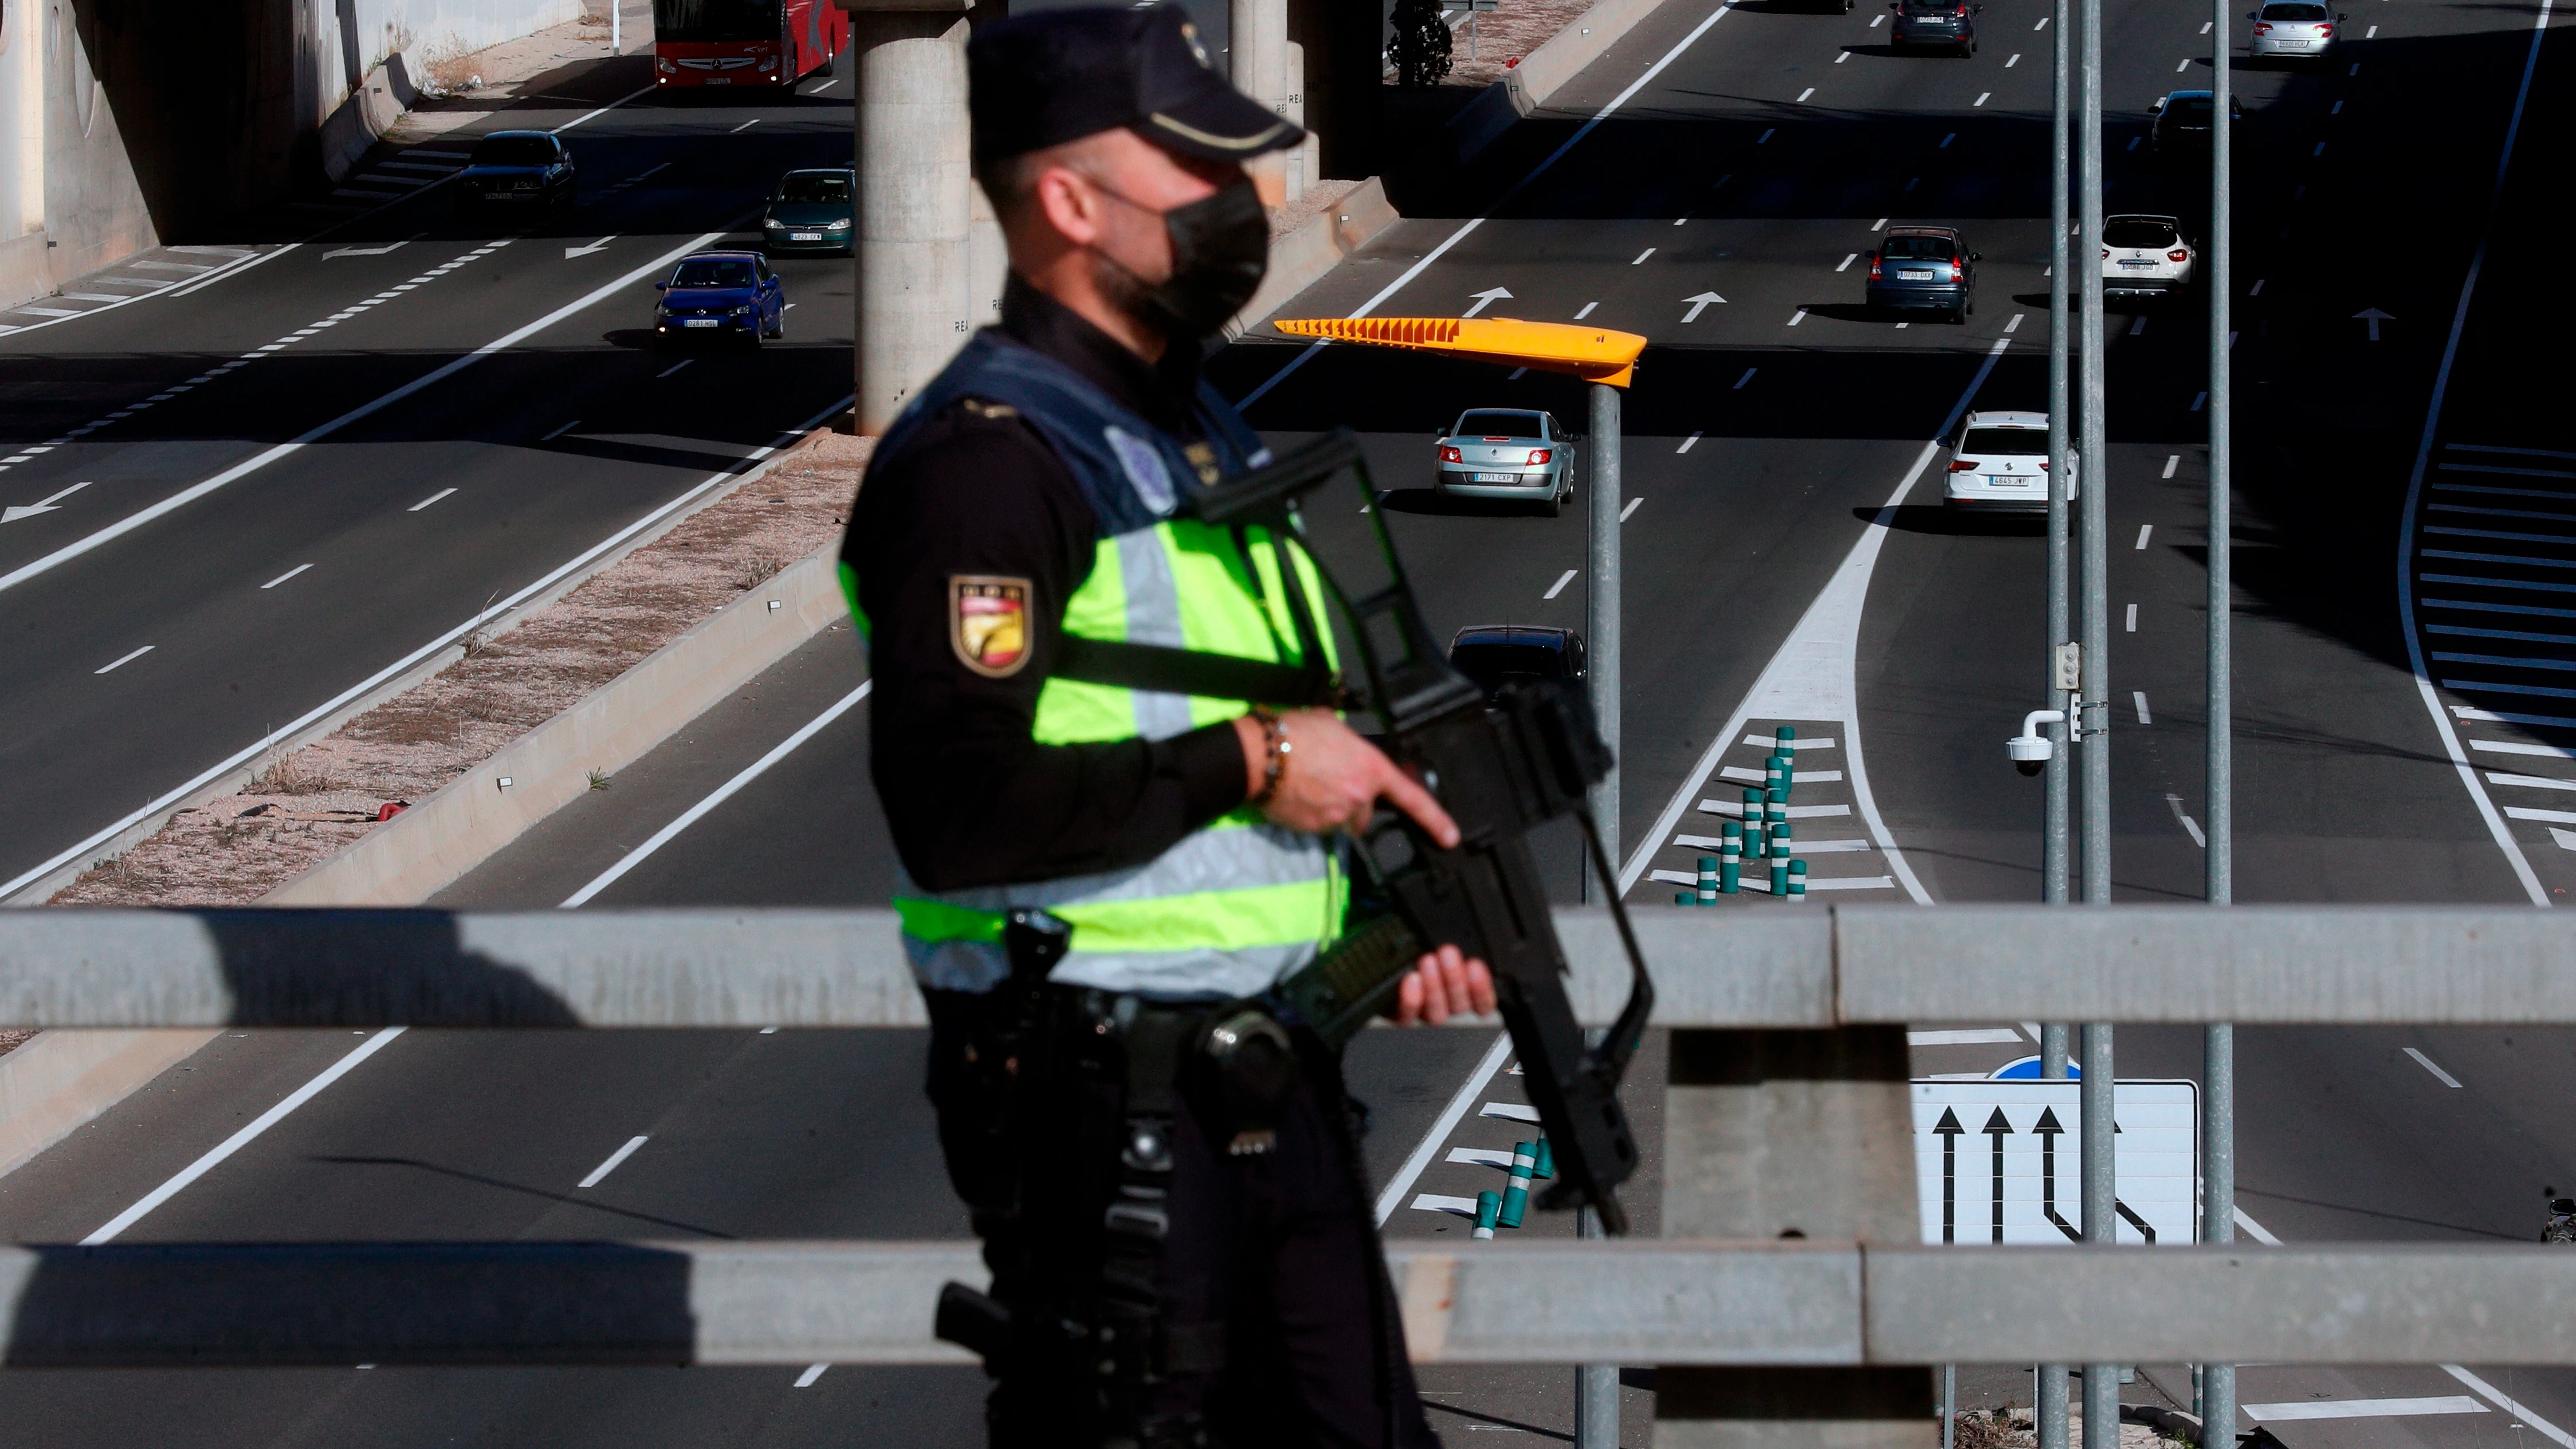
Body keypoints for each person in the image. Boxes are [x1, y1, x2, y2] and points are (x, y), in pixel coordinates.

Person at [837, 6, 1495, 1445]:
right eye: (1195, 178)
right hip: (1095, 1100)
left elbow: (1265, 750)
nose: (1239, 211)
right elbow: (958, 813)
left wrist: (1387, 932)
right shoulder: (979, 471)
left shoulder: (1188, 433)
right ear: (1071, 202)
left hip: (1268, 1075)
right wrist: (1255, 762)